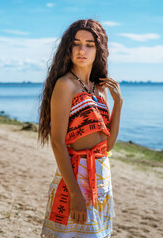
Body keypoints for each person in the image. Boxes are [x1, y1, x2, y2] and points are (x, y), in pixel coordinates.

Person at [38, 19, 123, 238]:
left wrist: (119, 104)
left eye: (89, 44)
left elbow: (108, 145)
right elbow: (57, 142)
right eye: (76, 43)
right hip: (75, 178)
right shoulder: (65, 85)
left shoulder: (100, 89)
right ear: (69, 48)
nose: (82, 50)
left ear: (99, 50)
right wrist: (75, 193)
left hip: (102, 177)